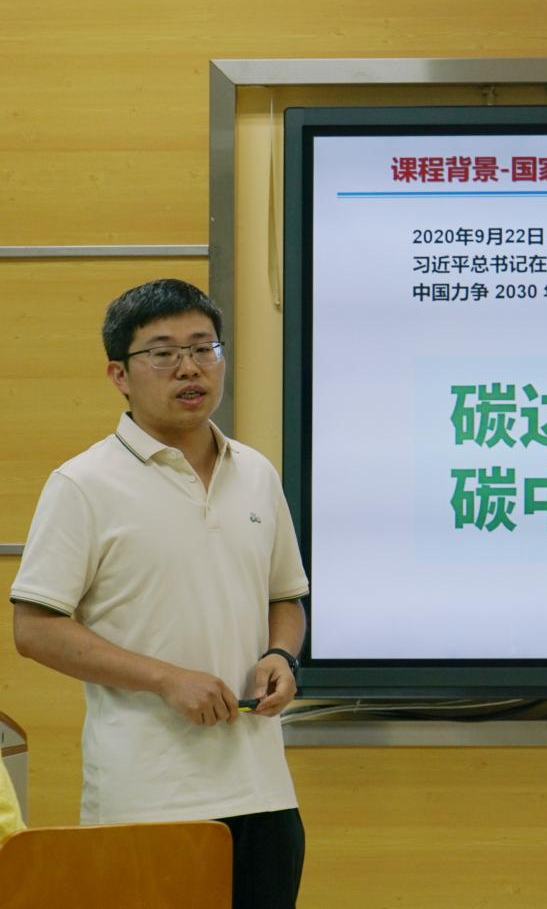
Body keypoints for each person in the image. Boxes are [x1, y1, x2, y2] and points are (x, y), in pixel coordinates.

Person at [10, 278, 308, 909]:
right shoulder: (83, 483)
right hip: (148, 796)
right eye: (164, 353)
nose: (189, 368)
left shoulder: (256, 473)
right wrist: (167, 679)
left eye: (204, 348)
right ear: (119, 374)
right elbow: (34, 629)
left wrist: (282, 655)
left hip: (264, 793)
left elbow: (285, 596)